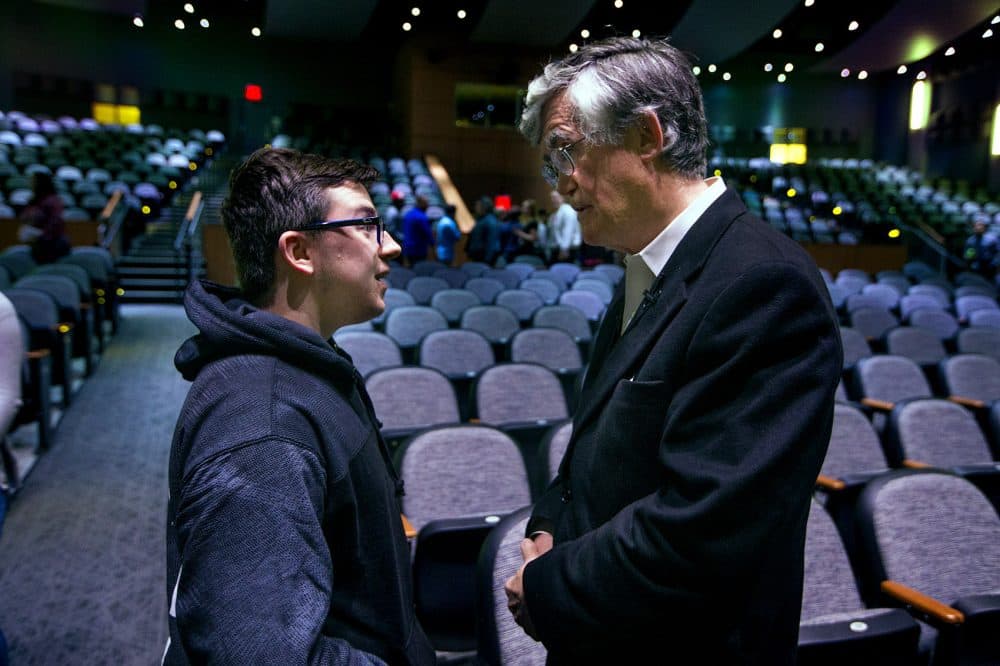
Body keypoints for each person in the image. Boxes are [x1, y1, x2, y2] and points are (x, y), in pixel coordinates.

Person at [503, 37, 842, 664]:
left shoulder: (762, 282)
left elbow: (707, 525)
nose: (561, 186)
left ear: (645, 136)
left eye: (565, 155)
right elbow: (594, 451)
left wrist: (551, 584)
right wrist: (548, 526)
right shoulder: (649, 266)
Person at [165, 148, 435, 666]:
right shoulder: (263, 428)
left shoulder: (307, 368)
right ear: (300, 252)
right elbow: (260, 653)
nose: (393, 246)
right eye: (367, 226)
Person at [18, 172, 70, 264]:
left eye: (33, 181)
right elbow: (25, 218)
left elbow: (56, 222)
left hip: (52, 244)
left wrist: (42, 235)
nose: (30, 184)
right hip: (38, 244)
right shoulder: (34, 200)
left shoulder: (52, 200)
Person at [466, 195, 500, 264]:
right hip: (477, 256)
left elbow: (491, 241)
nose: (475, 207)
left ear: (484, 207)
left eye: (477, 205)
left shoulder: (490, 221)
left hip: (483, 258)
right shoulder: (481, 219)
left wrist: (487, 259)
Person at [548, 190, 580, 263]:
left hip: (567, 250)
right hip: (557, 248)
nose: (553, 200)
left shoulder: (568, 210)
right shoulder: (556, 213)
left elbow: (568, 230)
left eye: (555, 197)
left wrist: (564, 249)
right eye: (552, 198)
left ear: (562, 198)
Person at [401, 194, 433, 265]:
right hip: (418, 249)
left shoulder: (408, 214)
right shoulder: (422, 217)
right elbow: (427, 233)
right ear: (422, 204)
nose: (428, 206)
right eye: (426, 204)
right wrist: (433, 243)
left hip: (407, 248)